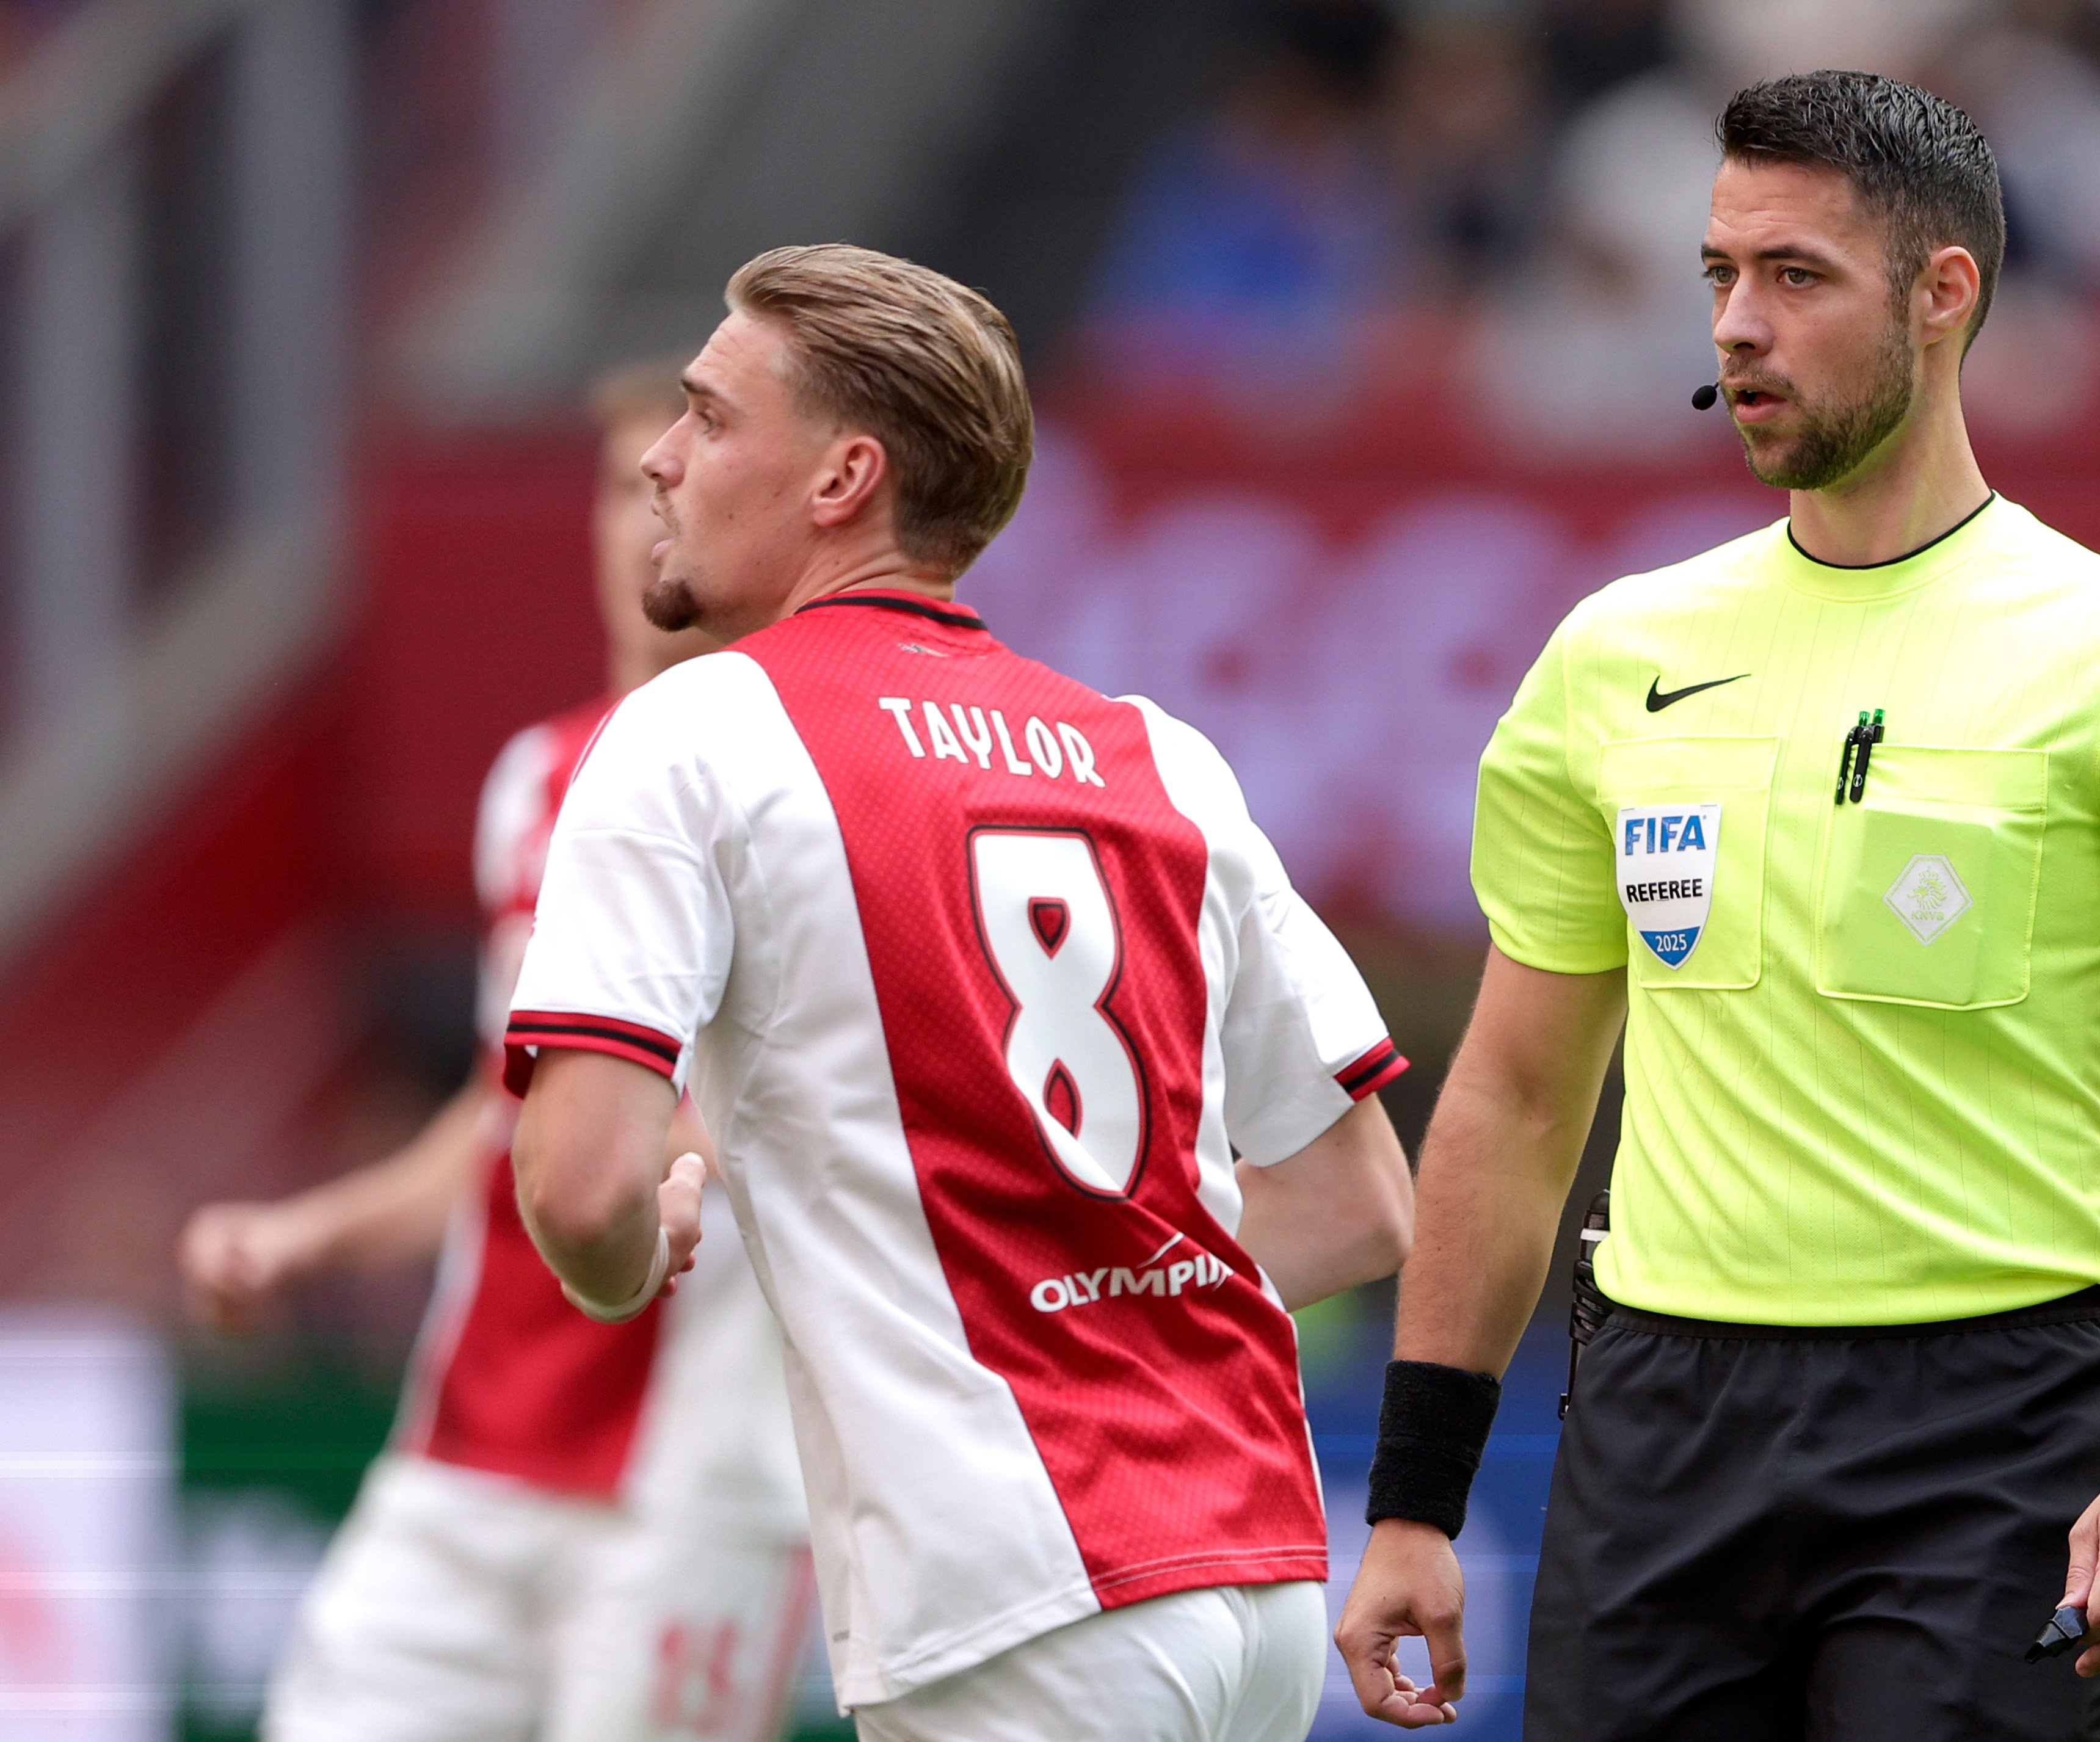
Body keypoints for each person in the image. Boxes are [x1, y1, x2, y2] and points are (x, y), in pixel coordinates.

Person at [1335, 70, 2100, 1741]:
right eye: (1719, 274)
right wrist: (1413, 1498)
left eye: (1795, 277)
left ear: (1943, 295)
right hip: (1657, 1420)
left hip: (1996, 1430)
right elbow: (1510, 1101)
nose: (1738, 323)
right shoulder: (1615, 654)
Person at [503, 244, 1417, 1742]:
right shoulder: (1152, 750)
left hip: (1012, 1599)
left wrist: (631, 1248)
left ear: (841, 476)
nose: (659, 463)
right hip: (1252, 1572)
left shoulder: (692, 733)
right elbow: (1358, 1199)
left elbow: (586, 1182)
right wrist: (1101, 1288)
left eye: (708, 416)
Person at [176, 362, 814, 1742]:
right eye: (609, 483)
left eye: (683, 474)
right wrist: (313, 1234)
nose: (637, 517)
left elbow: (832, 1127)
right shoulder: (533, 779)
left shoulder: (803, 790)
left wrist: (699, 1145)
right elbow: (507, 1106)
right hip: (471, 1448)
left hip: (690, 1485)